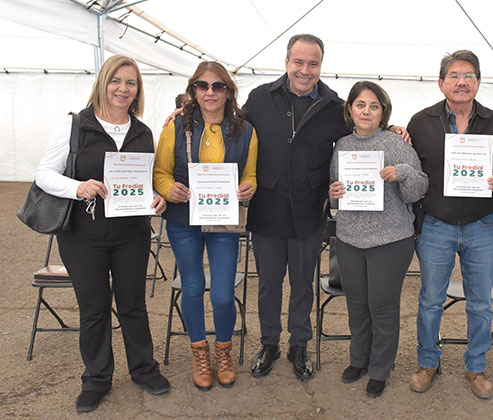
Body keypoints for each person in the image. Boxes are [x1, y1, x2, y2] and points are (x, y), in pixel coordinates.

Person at [242, 34, 409, 381]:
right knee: (269, 284)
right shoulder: (260, 98)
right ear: (286, 62)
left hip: (308, 209)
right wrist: (185, 113)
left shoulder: (335, 106)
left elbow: (365, 129)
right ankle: (269, 342)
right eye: (298, 62)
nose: (305, 70)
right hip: (267, 209)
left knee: (303, 283)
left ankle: (298, 344)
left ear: (321, 66)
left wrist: (393, 128)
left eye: (313, 63)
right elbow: (234, 129)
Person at [34, 54, 170, 413]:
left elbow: (145, 181)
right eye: (116, 81)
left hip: (132, 233)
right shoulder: (75, 125)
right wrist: (77, 187)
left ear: (137, 90)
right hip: (82, 235)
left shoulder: (143, 132)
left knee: (133, 305)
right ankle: (96, 379)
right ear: (103, 82)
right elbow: (44, 174)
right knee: (93, 308)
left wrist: (156, 198)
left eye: (131, 83)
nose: (123, 89)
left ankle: (144, 369)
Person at [406, 50, 493, 399]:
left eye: (469, 75)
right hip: (436, 226)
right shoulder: (420, 122)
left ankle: (476, 367)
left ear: (478, 82)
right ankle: (428, 363)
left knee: (480, 303)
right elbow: (409, 169)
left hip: (481, 225)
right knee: (430, 300)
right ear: (441, 83)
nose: (461, 81)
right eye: (454, 75)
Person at [153, 61, 258, 391]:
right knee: (193, 287)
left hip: (224, 221)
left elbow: (251, 174)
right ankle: (200, 351)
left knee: (225, 293)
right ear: (193, 90)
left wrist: (248, 188)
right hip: (184, 220)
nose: (210, 92)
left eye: (218, 86)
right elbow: (160, 172)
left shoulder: (246, 130)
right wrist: (168, 188)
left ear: (229, 91)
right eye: (202, 86)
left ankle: (223, 350)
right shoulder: (175, 126)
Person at [328, 81, 428, 398]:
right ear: (350, 109)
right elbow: (336, 191)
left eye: (374, 105)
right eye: (360, 104)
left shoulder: (396, 143)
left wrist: (404, 174)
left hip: (391, 239)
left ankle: (381, 368)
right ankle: (359, 359)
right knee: (357, 306)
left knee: (382, 307)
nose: (367, 111)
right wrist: (334, 193)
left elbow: (419, 189)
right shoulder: (341, 146)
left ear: (383, 111)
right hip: (349, 238)